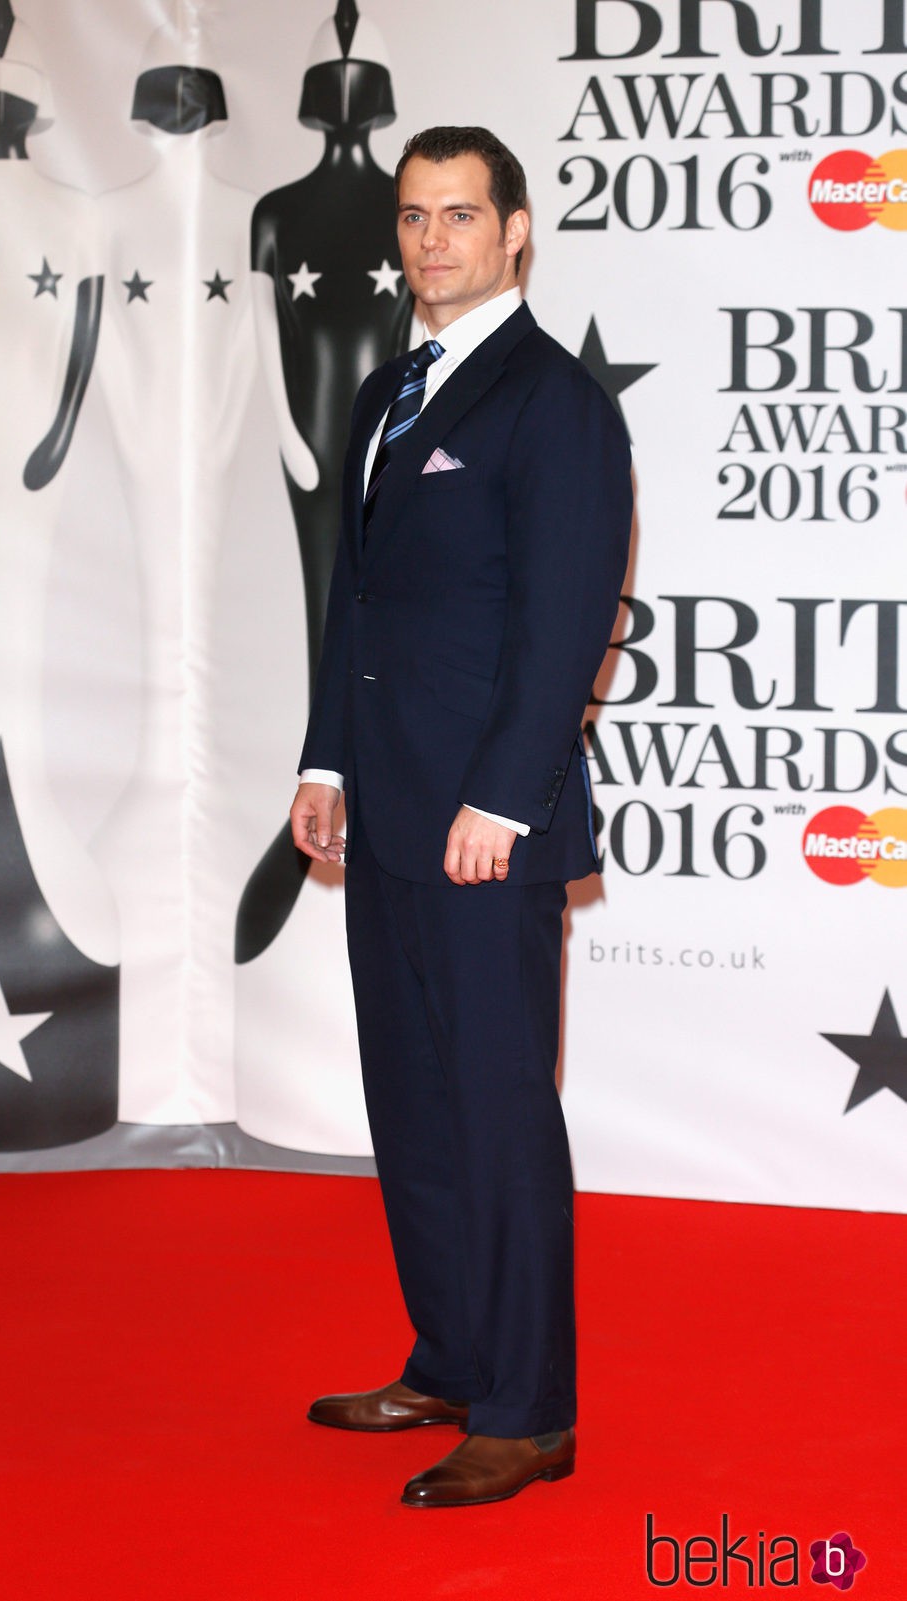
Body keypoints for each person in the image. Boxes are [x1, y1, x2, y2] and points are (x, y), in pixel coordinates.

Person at [289, 125, 632, 1509]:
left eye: (462, 215)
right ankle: (449, 1353)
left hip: (487, 822)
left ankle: (530, 1409)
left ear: (518, 230)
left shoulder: (553, 403)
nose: (433, 240)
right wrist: (326, 758)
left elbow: (563, 629)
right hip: (384, 811)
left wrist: (505, 795)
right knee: (415, 1101)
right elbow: (353, 600)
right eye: (416, 216)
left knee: (496, 1109)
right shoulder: (384, 390)